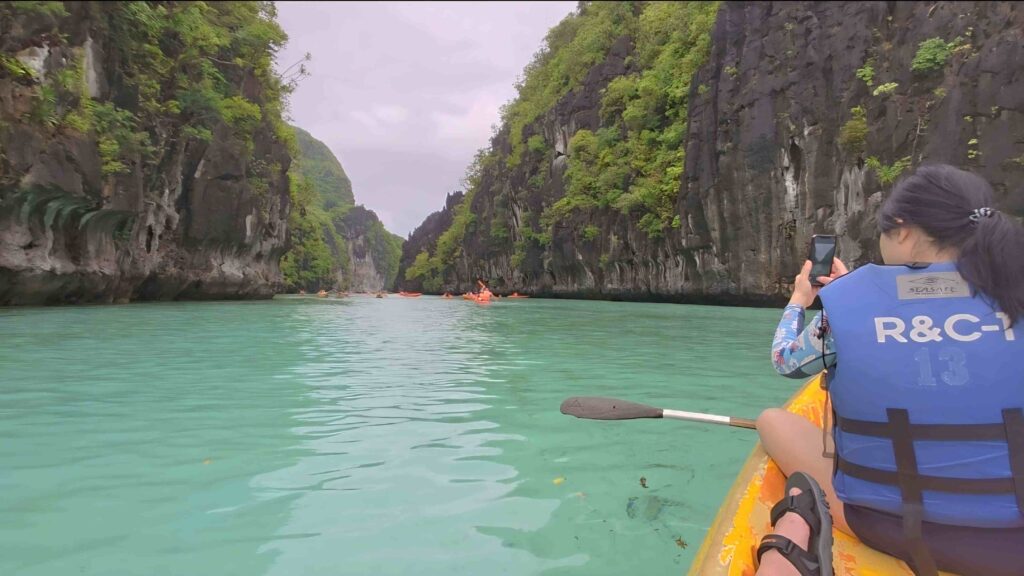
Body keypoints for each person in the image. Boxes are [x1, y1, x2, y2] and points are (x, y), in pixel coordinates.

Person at [755, 164, 1024, 576]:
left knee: (772, 420)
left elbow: (784, 360)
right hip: (1014, 540)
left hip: (890, 526)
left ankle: (802, 521)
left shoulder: (849, 300)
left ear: (901, 229)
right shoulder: (1014, 293)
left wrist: (800, 300)